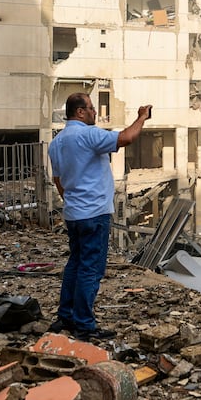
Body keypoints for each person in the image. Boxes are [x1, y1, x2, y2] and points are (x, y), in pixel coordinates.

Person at [46, 93, 151, 340]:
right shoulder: (88, 134)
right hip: (94, 213)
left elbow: (58, 180)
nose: (95, 112)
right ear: (80, 112)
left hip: (74, 213)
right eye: (92, 108)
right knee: (91, 269)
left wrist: (71, 201)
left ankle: (66, 316)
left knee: (76, 263)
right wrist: (141, 117)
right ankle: (84, 323)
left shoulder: (57, 142)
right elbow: (127, 137)